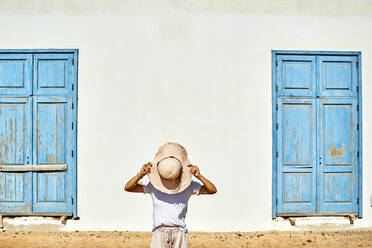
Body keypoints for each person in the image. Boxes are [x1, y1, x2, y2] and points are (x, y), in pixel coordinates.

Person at [124, 142, 217, 248]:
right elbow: (128, 188)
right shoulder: (153, 185)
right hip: (159, 232)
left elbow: (212, 190)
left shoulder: (189, 186)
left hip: (179, 232)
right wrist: (140, 175)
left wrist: (199, 176)